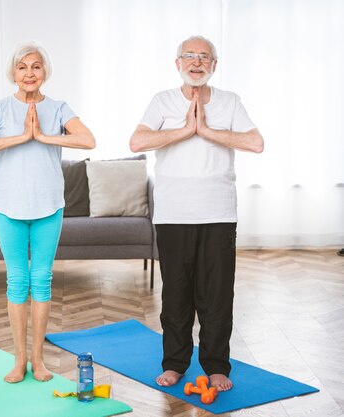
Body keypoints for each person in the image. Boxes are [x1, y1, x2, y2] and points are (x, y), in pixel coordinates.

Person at [130, 35, 264, 391]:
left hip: (218, 212)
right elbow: (137, 141)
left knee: (217, 294)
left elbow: (255, 142)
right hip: (174, 212)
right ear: (178, 64)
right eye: (189, 56)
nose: (196, 62)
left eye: (204, 57)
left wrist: (206, 130)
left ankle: (217, 365)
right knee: (176, 294)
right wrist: (184, 130)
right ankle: (175, 363)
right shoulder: (162, 101)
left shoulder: (230, 102)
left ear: (214, 66)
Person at [0, 41, 95, 383]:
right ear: (14, 72)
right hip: (8, 207)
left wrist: (42, 135)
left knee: (41, 281)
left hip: (48, 206)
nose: (29, 73)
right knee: (17, 281)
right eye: (23, 67)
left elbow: (88, 140)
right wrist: (21, 136)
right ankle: (19, 360)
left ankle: (39, 361)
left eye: (36, 66)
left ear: (45, 72)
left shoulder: (58, 108)